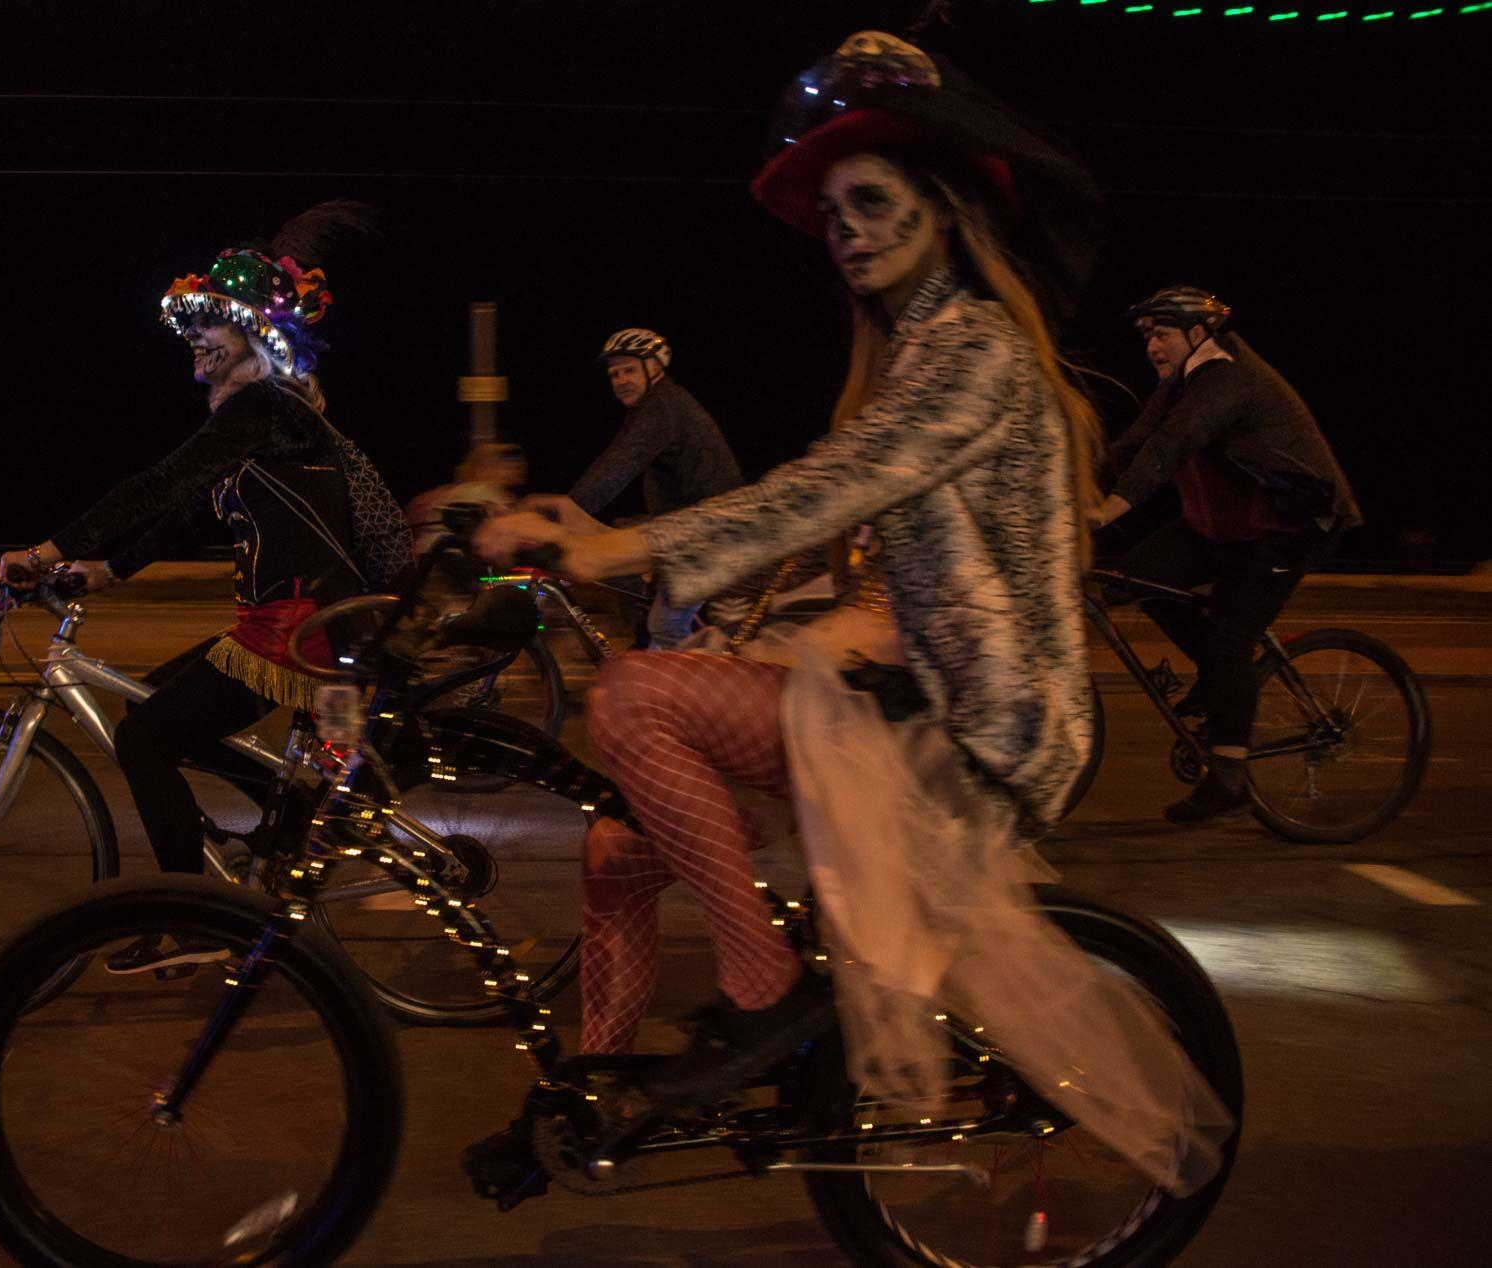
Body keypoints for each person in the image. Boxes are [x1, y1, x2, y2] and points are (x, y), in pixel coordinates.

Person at [474, 30, 1226, 1196]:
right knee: (618, 846)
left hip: (983, 733)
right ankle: (592, 1104)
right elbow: (839, 536)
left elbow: (836, 484)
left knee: (632, 697)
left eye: (871, 202)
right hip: (904, 702)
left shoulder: (975, 352)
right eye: (833, 216)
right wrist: (724, 610)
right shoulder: (909, 355)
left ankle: (763, 989)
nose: (850, 230)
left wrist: (612, 544)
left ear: (945, 207)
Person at [0, 201, 411, 975]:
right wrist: (108, 568)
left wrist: (50, 546)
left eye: (210, 324)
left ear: (257, 334)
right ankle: (294, 811)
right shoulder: (261, 417)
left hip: (299, 628)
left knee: (145, 736)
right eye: (190, 324)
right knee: (157, 708)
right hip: (287, 620)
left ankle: (191, 919)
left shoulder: (265, 408)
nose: (193, 336)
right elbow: (188, 509)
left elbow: (160, 483)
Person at [1095, 286, 1360, 824]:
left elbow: (1170, 448)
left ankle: (1229, 774)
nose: (1151, 346)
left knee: (1230, 640)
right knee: (1142, 574)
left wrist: (1106, 512)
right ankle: (1218, 682)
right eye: (1146, 336)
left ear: (1199, 334)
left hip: (1287, 526)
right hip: (1226, 522)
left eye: (1162, 333)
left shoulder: (1229, 378)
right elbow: (1134, 444)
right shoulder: (1179, 384)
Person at [532, 328, 744, 648]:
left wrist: (564, 512)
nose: (620, 380)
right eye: (614, 374)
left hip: (711, 532)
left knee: (667, 624)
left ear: (655, 367)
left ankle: (689, 689)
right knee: (636, 588)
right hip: (691, 529)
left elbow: (616, 468)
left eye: (629, 370)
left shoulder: (662, 408)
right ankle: (648, 661)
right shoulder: (655, 407)